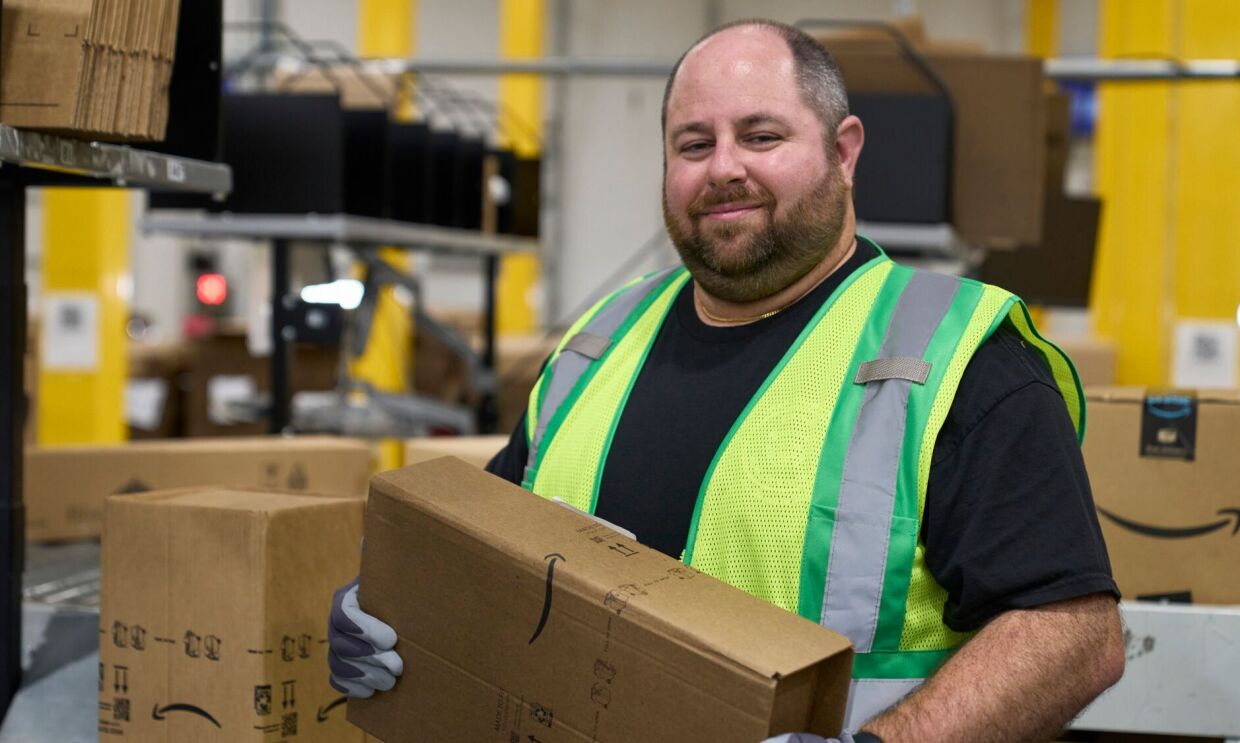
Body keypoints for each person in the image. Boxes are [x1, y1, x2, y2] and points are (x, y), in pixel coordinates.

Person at [329, 18, 1125, 742]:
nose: (725, 169)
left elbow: (1072, 633)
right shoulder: (597, 343)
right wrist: (392, 604)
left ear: (843, 151)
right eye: (693, 144)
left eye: (762, 135)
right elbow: (489, 552)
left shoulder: (958, 354)